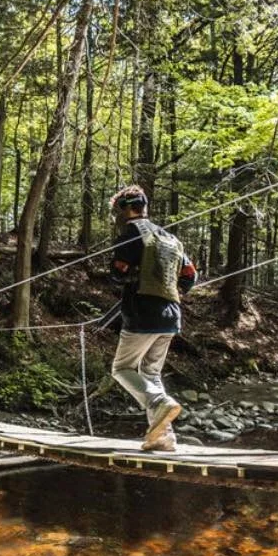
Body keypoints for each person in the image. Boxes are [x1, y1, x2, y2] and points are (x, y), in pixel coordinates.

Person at [108, 185, 197, 452]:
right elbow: (190, 274)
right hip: (171, 315)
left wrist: (121, 275)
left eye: (118, 210)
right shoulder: (170, 237)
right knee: (150, 372)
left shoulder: (131, 233)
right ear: (145, 205)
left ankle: (159, 403)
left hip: (142, 313)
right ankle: (163, 437)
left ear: (125, 210)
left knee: (121, 369)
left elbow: (118, 272)